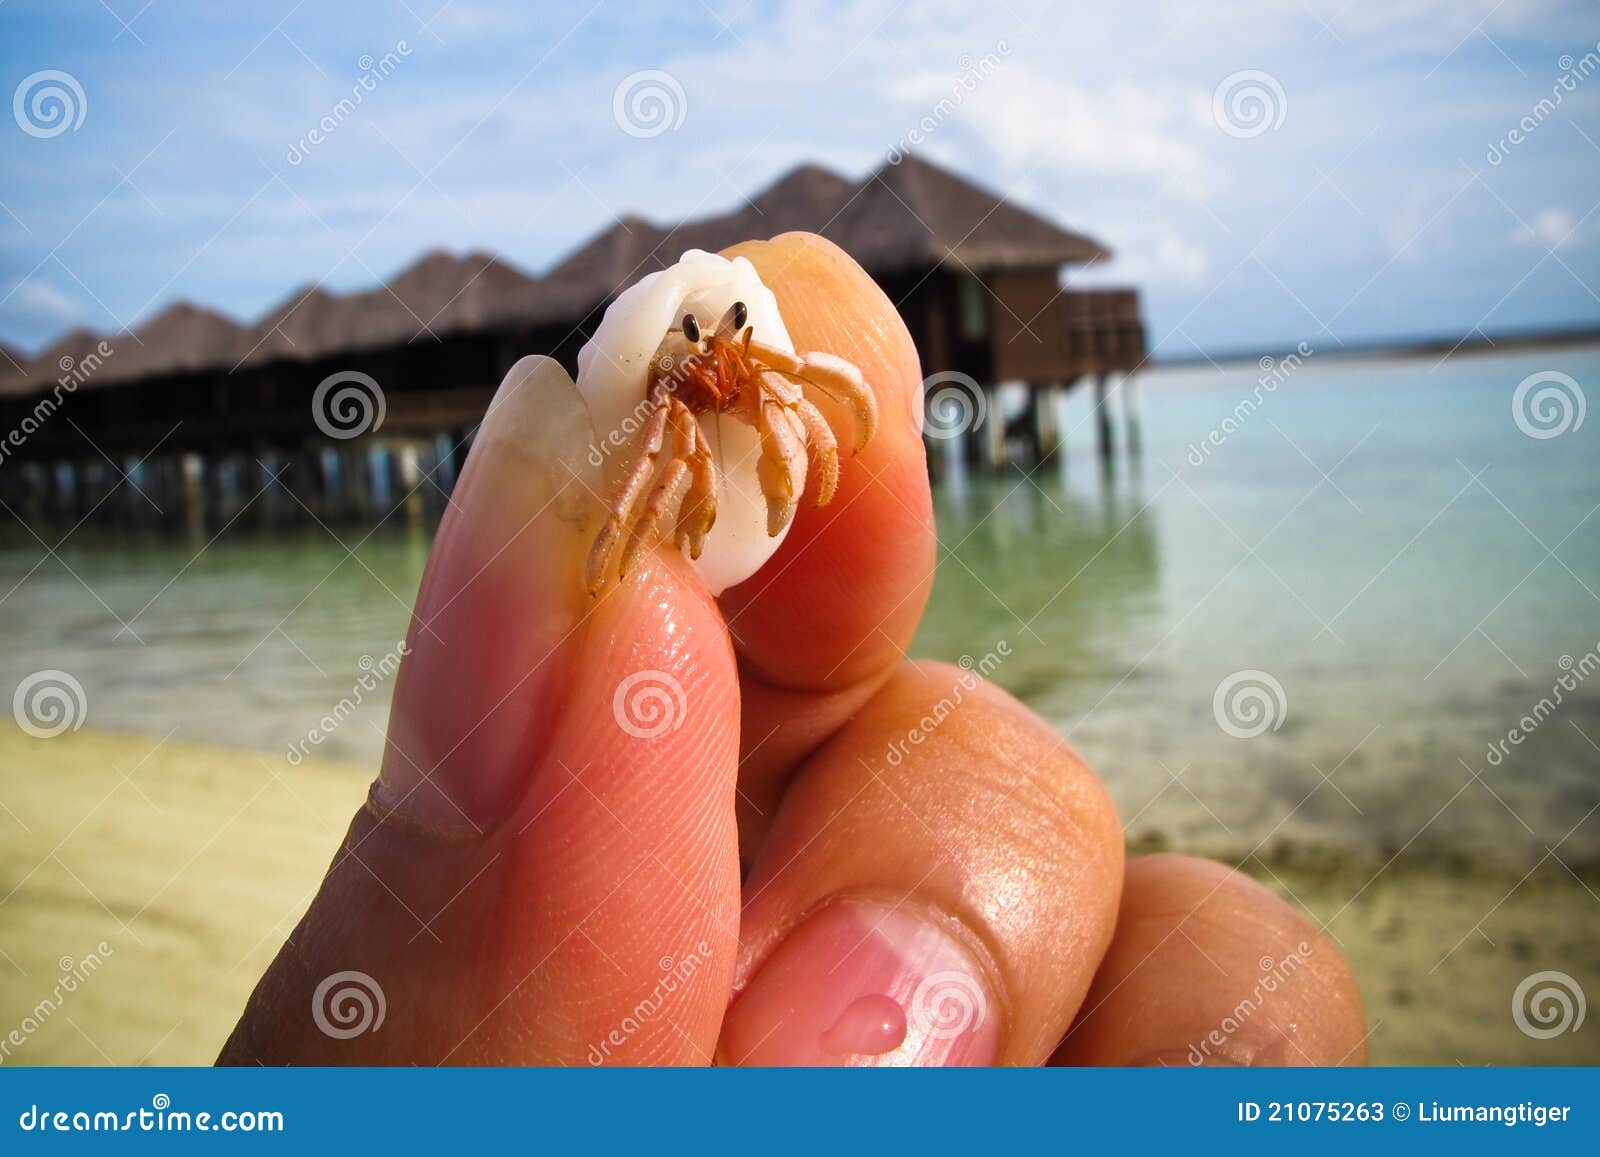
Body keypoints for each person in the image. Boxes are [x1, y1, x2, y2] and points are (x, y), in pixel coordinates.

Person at [219, 233, 1365, 1067]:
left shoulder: (739, 358)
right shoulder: (668, 389)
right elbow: (657, 453)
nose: (724, 358)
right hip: (644, 431)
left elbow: (827, 409)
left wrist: (782, 418)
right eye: (707, 341)